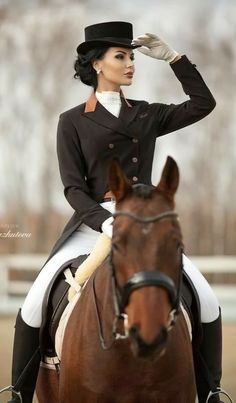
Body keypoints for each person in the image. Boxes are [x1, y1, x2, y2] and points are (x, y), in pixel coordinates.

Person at [3, 21, 232, 403]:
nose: (130, 64)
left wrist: (175, 60)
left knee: (206, 299)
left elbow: (202, 105)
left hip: (142, 222)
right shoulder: (72, 121)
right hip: (93, 223)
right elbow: (73, 188)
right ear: (97, 64)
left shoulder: (146, 114)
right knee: (35, 299)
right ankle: (20, 394)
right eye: (121, 56)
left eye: (132, 57)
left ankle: (211, 393)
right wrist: (104, 219)